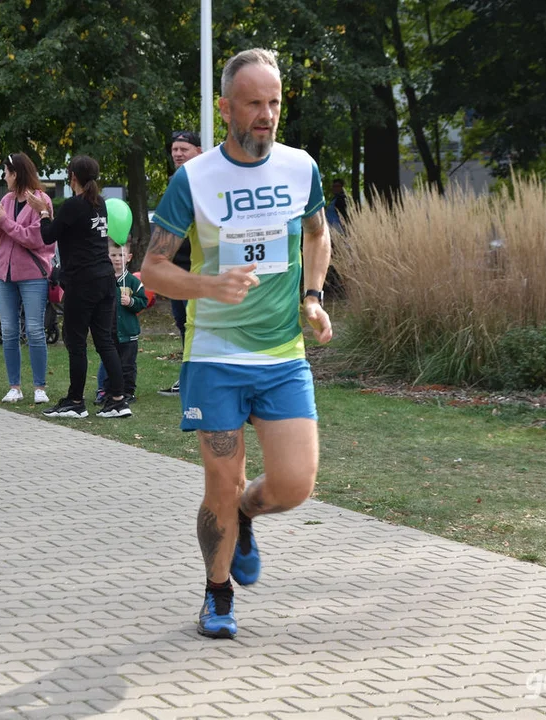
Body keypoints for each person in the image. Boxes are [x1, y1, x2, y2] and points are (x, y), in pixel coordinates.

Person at [141, 48, 333, 639]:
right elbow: (151, 268)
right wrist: (207, 285)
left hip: (281, 360)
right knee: (220, 482)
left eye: (274, 102)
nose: (266, 114)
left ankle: (249, 515)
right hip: (215, 359)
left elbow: (318, 235)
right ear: (226, 109)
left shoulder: (302, 168)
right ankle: (217, 594)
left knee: (295, 485)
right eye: (254, 103)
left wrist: (313, 295)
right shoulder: (193, 179)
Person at [24, 155, 132, 419]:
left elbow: (49, 235)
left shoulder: (74, 205)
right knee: (105, 340)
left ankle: (75, 401)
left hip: (82, 282)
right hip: (105, 279)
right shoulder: (100, 204)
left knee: (76, 342)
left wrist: (43, 212)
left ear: (72, 176)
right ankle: (118, 399)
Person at [0, 152, 55, 404]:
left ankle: (40, 387)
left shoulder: (41, 200)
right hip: (4, 274)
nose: (4, 177)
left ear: (16, 173)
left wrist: (5, 222)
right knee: (9, 330)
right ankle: (14, 386)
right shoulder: (5, 199)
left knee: (35, 330)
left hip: (32, 274)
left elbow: (35, 239)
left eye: (6, 172)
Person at [158, 130, 204, 397]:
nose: (177, 153)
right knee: (182, 323)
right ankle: (188, 376)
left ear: (197, 151)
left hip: (197, 269)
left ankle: (198, 379)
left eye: (183, 149)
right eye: (174, 149)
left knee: (197, 325)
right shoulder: (176, 181)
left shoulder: (206, 180)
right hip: (176, 269)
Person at [95, 240, 148, 405]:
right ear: (107, 256)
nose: (117, 259)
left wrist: (131, 301)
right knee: (109, 362)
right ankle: (106, 391)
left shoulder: (133, 282)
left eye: (121, 255)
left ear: (129, 257)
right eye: (113, 255)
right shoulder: (103, 280)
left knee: (127, 365)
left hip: (128, 332)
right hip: (108, 331)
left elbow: (143, 301)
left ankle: (128, 391)